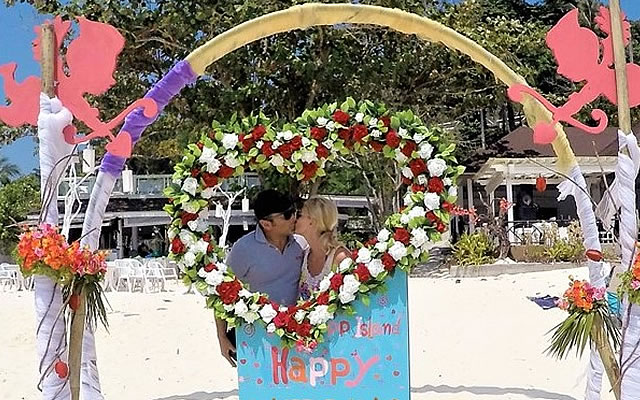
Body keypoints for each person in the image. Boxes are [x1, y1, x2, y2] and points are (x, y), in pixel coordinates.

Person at [215, 189, 305, 366]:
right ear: (266, 224)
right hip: (257, 335)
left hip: (296, 334)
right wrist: (222, 337)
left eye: (295, 211)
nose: (294, 217)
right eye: (287, 215)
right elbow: (222, 292)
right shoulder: (243, 249)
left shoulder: (302, 244)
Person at [295, 196, 350, 300]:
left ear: (312, 221)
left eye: (299, 215)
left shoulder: (340, 257)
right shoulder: (305, 254)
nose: (295, 219)